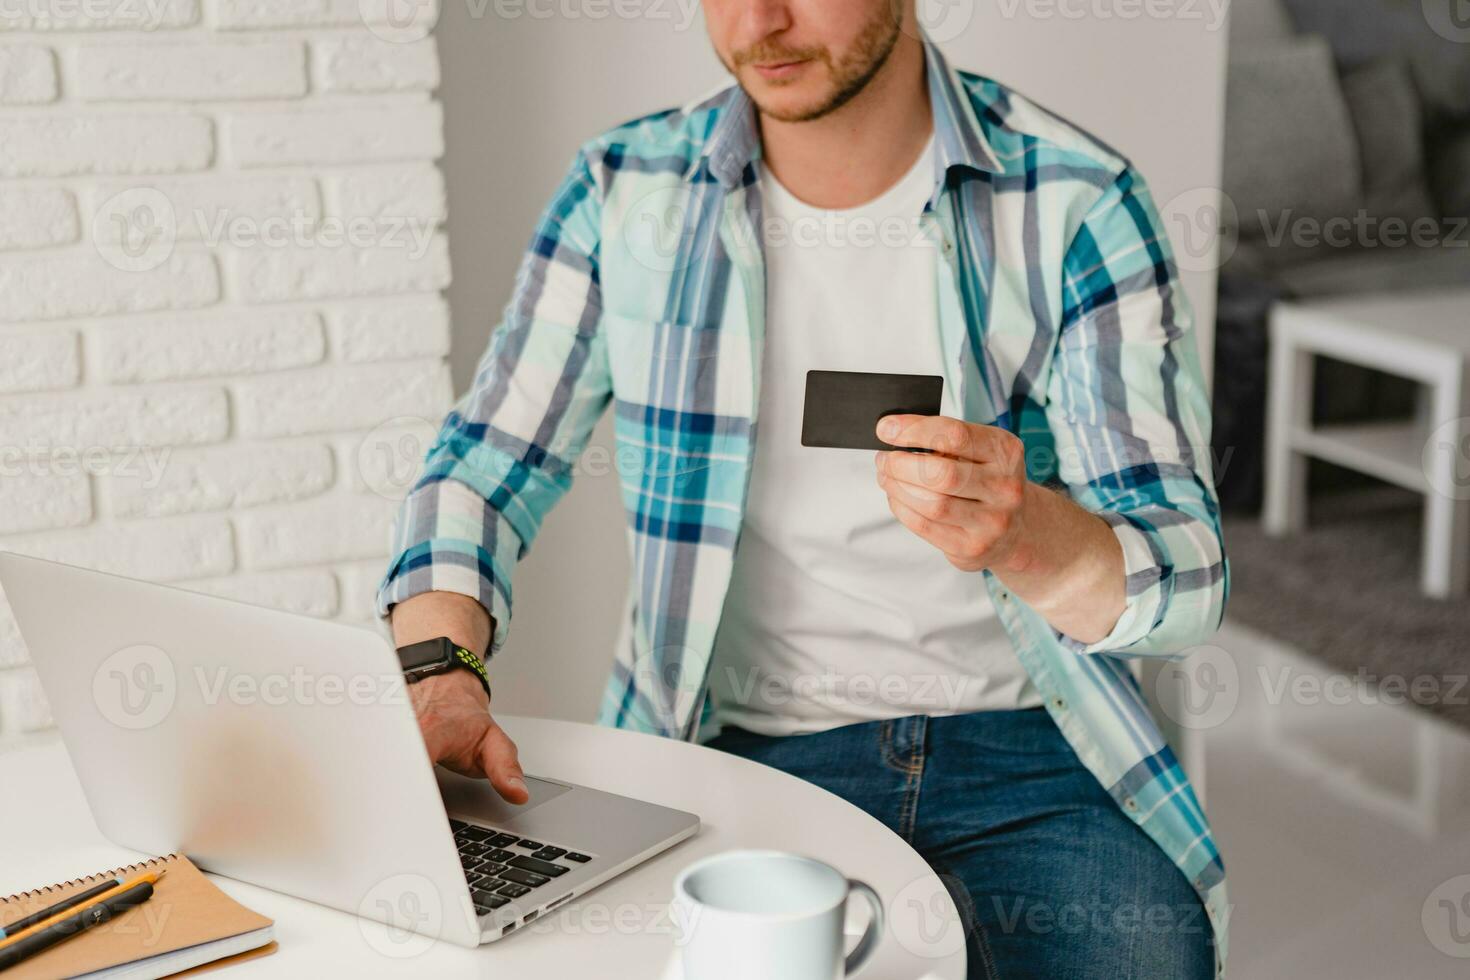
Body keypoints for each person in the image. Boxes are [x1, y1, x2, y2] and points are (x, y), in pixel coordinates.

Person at [379, 2, 1229, 975]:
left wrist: (1031, 532)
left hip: (1027, 745)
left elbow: (1189, 579)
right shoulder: (626, 191)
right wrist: (442, 671)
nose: (762, 21)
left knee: (1150, 955)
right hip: (741, 746)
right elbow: (480, 466)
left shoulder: (1077, 197)